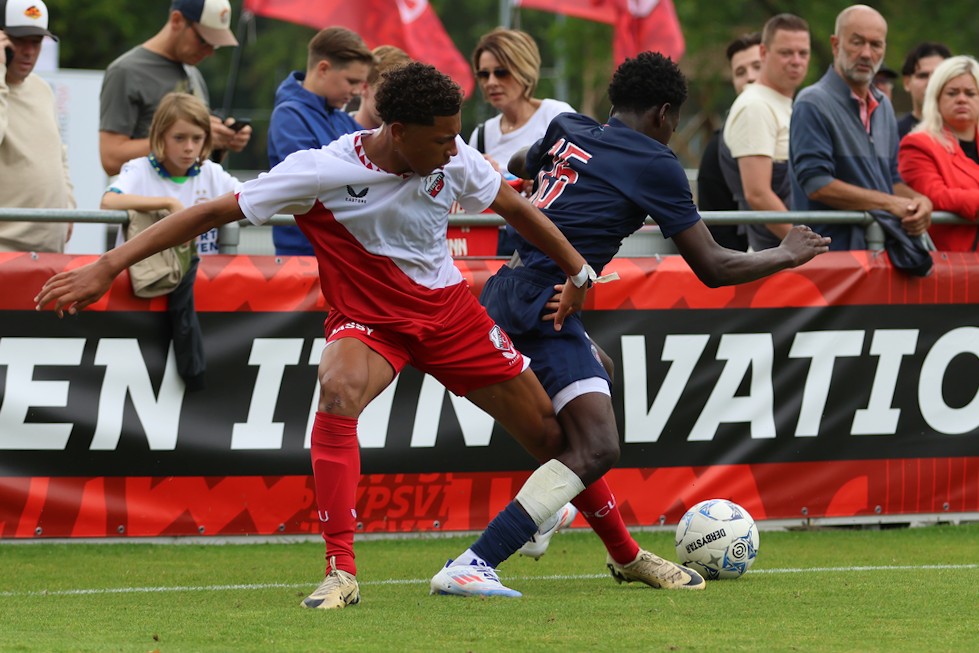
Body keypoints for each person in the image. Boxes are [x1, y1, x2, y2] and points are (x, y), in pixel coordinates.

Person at [35, 62, 596, 611]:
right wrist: (107, 266)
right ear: (397, 132)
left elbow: (515, 209)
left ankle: (624, 553)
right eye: (442, 138)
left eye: (456, 135)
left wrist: (578, 271)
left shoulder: (454, 156)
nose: (454, 149)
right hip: (370, 319)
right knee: (337, 390)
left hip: (448, 315)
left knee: (555, 439)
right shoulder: (320, 169)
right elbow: (207, 213)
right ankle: (340, 570)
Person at [430, 52, 830, 599]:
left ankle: (585, 531)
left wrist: (561, 178)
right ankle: (476, 561)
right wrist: (786, 253)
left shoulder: (568, 125)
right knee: (596, 448)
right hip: (544, 303)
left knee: (597, 378)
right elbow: (714, 266)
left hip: (506, 288)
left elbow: (524, 158)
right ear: (665, 113)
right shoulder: (654, 162)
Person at [102, 92, 238, 390]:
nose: (189, 147)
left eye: (197, 138)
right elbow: (109, 201)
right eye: (179, 137)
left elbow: (252, 198)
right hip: (142, 292)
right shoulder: (139, 169)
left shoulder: (212, 173)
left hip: (204, 296)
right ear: (160, 136)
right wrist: (166, 204)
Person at [789, 4, 932, 251]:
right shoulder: (812, 102)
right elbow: (817, 184)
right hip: (831, 259)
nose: (866, 53)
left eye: (876, 45)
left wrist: (920, 201)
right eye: (857, 42)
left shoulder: (884, 106)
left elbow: (892, 179)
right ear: (836, 44)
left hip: (879, 255)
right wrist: (889, 204)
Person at [99, 0, 251, 177]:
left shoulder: (193, 73)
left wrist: (221, 140)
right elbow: (111, 158)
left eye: (215, 44)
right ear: (177, 20)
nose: (209, 51)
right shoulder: (126, 71)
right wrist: (188, 137)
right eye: (204, 40)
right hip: (148, 201)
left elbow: (198, 160)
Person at [268, 26, 374, 256]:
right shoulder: (288, 116)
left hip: (343, 252)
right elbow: (313, 184)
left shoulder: (343, 120)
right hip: (303, 256)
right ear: (323, 69)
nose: (357, 91)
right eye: (352, 81)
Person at [468, 27, 575, 256]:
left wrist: (542, 182)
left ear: (524, 70)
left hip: (547, 244)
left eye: (501, 72)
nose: (491, 82)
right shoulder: (481, 134)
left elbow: (582, 178)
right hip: (492, 244)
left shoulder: (557, 116)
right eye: (483, 74)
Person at [720, 14, 810, 251]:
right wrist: (812, 248)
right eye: (786, 52)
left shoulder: (783, 103)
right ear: (763, 52)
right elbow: (758, 194)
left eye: (803, 53)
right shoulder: (755, 106)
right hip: (779, 260)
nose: (796, 61)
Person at [0, 0, 74, 253]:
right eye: (19, 40)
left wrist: (70, 206)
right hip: (5, 251)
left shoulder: (42, 88)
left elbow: (58, 154)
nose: (29, 51)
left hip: (48, 250)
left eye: (36, 41)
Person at [899, 56, 979, 251]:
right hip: (951, 266)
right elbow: (936, 196)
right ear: (936, 98)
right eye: (952, 93)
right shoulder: (918, 144)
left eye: (970, 93)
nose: (962, 99)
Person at [696, 32, 761, 252]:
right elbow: (717, 229)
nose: (750, 77)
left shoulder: (800, 127)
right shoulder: (718, 148)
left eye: (757, 66)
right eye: (740, 72)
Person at [898, 42, 952, 139]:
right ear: (907, 83)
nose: (931, 82)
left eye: (938, 75)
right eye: (923, 76)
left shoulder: (967, 132)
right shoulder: (893, 133)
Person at [351, 45, 411, 130]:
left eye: (403, 95)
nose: (396, 103)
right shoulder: (333, 135)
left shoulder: (409, 140)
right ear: (364, 87)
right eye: (387, 93)